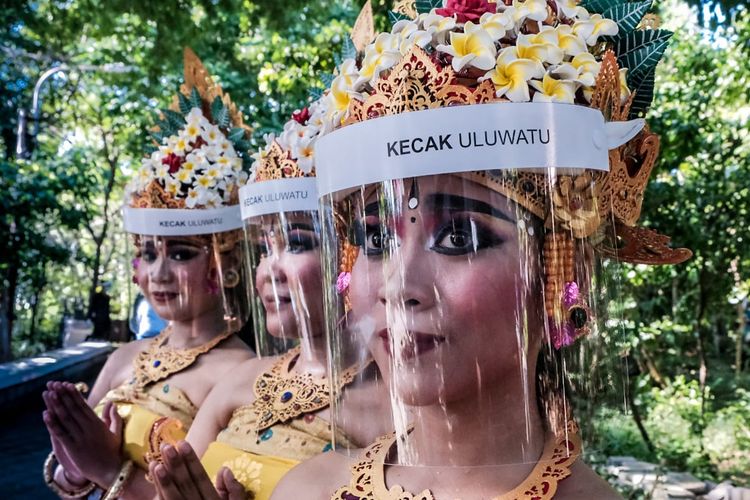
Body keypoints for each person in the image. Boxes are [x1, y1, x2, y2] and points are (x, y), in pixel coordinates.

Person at [272, 1, 692, 498]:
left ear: (561, 269)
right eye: (376, 239)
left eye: (459, 238)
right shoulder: (305, 489)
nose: (398, 286)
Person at [149, 96, 390, 500]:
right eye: (264, 249)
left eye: (296, 244)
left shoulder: (394, 406)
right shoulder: (242, 379)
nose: (268, 270)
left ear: (351, 254)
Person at [40, 47, 255, 499]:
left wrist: (107, 468)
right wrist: (74, 467)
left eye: (179, 254)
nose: (157, 273)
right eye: (146, 253)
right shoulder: (124, 358)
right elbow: (65, 480)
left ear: (230, 267)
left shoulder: (241, 374)